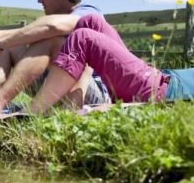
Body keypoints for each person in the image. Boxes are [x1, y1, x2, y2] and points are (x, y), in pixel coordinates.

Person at [28, 13, 194, 114]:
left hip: (158, 89)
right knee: (92, 21)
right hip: (162, 76)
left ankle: (34, 112)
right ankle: (70, 107)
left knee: (83, 38)